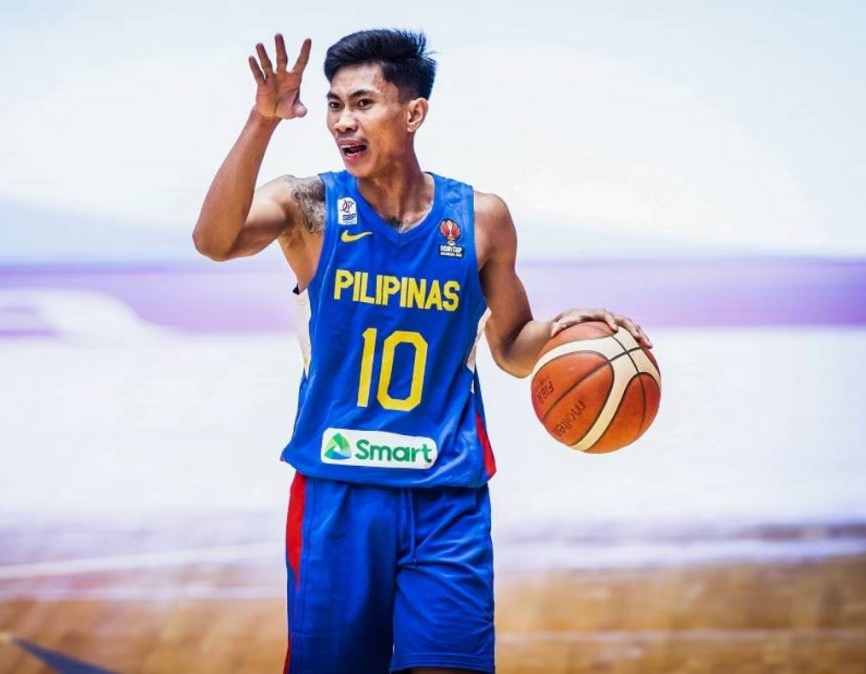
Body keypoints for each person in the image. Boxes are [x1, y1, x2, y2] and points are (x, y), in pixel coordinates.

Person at [193, 29, 652, 674]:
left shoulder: (480, 218)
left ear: (413, 113)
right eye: (333, 106)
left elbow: (511, 347)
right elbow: (213, 241)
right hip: (339, 493)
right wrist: (262, 120)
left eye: (361, 103)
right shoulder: (312, 206)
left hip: (447, 496)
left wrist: (563, 334)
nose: (343, 122)